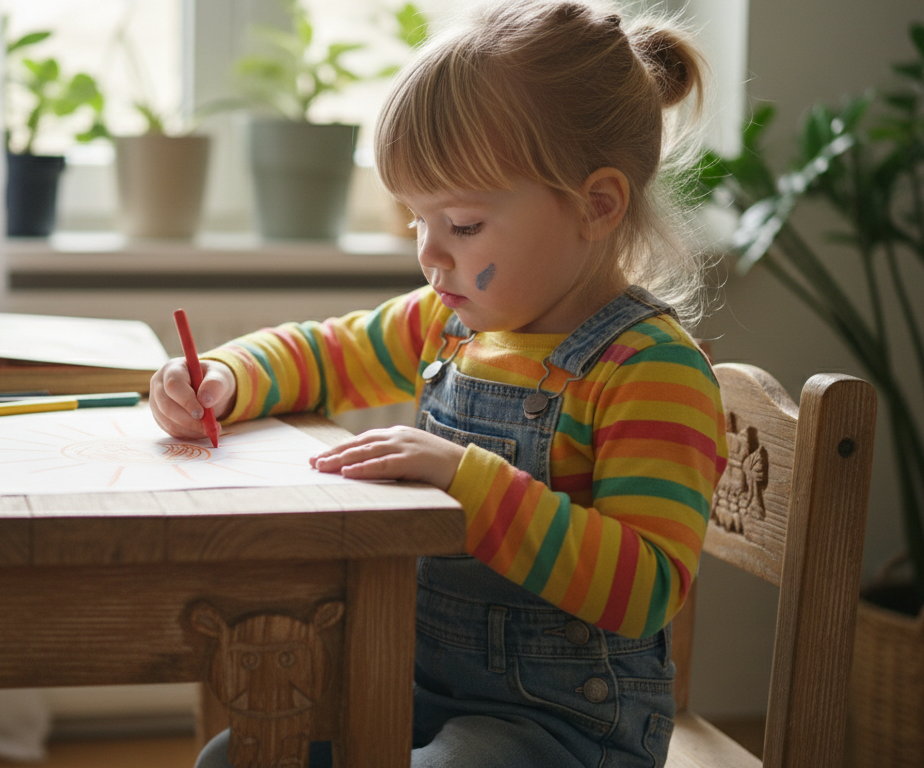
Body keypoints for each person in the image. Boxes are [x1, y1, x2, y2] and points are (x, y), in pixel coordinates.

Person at [150, 1, 726, 765]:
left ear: (596, 205)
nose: (429, 254)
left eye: (462, 224)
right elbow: (326, 354)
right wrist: (228, 376)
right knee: (240, 755)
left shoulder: (650, 370)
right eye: (417, 219)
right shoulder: (451, 322)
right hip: (418, 688)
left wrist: (466, 480)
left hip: (567, 730)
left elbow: (645, 590)